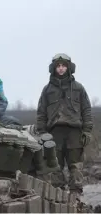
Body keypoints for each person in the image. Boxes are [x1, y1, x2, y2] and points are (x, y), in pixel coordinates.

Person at [36, 53, 93, 194]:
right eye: (58, 66)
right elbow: (41, 112)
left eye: (64, 66)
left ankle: (76, 197)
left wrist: (87, 131)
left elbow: (86, 110)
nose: (61, 68)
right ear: (54, 68)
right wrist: (41, 132)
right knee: (55, 166)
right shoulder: (47, 90)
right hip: (54, 133)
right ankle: (58, 196)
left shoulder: (78, 88)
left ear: (69, 68)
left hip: (74, 132)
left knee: (76, 166)